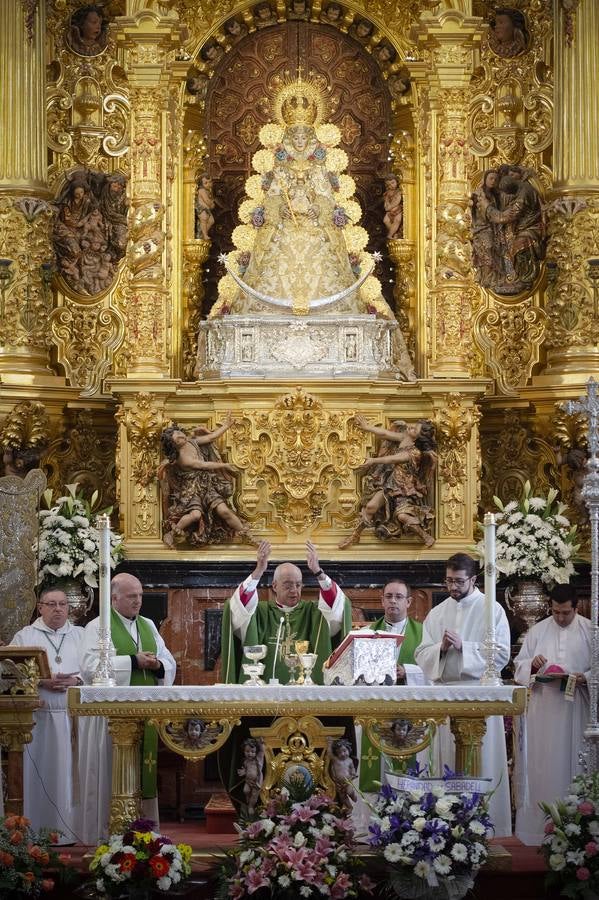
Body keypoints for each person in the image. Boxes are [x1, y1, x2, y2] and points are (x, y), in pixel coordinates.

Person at [415, 553, 512, 837]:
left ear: (473, 579)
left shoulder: (491, 610)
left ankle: (484, 826)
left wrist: (465, 647)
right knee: (443, 759)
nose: (452, 587)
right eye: (448, 581)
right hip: (444, 694)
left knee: (482, 763)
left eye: (458, 581)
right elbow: (422, 653)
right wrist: (441, 650)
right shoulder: (437, 612)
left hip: (478, 694)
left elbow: (502, 654)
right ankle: (442, 825)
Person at [77, 573, 176, 844]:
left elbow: (168, 660)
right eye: (132, 596)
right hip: (110, 719)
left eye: (141, 596)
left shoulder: (148, 625)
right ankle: (105, 834)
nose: (138, 602)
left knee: (143, 774)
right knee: (109, 773)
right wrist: (132, 661)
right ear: (115, 598)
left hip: (144, 714)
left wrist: (158, 665)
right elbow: (89, 667)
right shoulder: (98, 627)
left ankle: (144, 834)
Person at [513, 585, 591, 845]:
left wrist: (584, 677)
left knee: (575, 765)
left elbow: (597, 670)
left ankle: (580, 827)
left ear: (576, 608)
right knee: (543, 766)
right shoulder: (538, 630)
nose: (559, 618)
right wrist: (532, 666)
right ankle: (539, 830)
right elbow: (520, 667)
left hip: (576, 708)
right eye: (555, 612)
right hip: (544, 711)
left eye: (565, 613)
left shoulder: (590, 630)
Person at [10, 589, 84, 843]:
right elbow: (11, 672)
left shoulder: (80, 635)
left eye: (63, 604)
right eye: (51, 604)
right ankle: (34, 831)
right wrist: (41, 680)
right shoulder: (25, 636)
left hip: (72, 718)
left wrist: (77, 679)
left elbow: (95, 669)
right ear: (40, 607)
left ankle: (71, 831)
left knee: (69, 778)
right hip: (38, 720)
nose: (58, 609)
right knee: (38, 775)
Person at [221, 540, 352, 685]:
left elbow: (337, 604)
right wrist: (258, 571)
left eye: (298, 585)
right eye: (288, 585)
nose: (294, 590)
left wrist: (318, 572)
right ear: (275, 586)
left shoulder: (314, 613)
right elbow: (238, 605)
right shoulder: (259, 613)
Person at [355, 580, 427, 794]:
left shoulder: (424, 633)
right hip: (376, 708)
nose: (393, 601)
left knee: (408, 766)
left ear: (409, 602)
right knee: (375, 766)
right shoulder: (366, 634)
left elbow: (435, 672)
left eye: (398, 597)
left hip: (410, 709)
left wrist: (408, 671)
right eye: (388, 596)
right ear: (382, 600)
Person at [339, 415, 436, 549]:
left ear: (417, 438)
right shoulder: (404, 437)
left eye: (415, 430)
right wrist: (367, 427)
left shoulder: (414, 453)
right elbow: (385, 433)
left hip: (403, 488)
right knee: (370, 507)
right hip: (389, 482)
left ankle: (425, 536)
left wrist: (373, 461)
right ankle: (355, 535)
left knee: (402, 516)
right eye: (414, 425)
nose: (411, 427)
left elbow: (392, 459)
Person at [158, 418, 256, 548]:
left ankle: (247, 536)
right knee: (195, 515)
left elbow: (211, 438)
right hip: (191, 489)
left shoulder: (191, 442)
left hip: (206, 484)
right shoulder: (183, 459)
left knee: (224, 511)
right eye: (178, 439)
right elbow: (203, 465)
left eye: (181, 434)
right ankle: (171, 533)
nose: (182, 438)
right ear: (173, 445)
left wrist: (226, 426)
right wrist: (224, 465)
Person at [328, 738, 358, 811]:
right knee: (342, 797)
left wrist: (353, 772)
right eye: (339, 752)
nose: (343, 754)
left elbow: (352, 768)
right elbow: (329, 753)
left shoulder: (349, 760)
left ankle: (353, 796)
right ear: (336, 754)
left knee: (349, 791)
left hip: (348, 781)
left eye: (344, 751)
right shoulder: (336, 760)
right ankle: (349, 807)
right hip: (338, 783)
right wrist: (329, 743)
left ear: (348, 749)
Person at [237, 738, 264, 815]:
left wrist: (261, 744)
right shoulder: (246, 761)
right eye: (247, 751)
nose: (250, 754)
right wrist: (244, 772)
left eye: (252, 752)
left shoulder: (258, 760)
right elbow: (246, 769)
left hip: (256, 782)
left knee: (254, 796)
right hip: (248, 781)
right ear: (244, 751)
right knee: (245, 791)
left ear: (256, 752)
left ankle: (251, 806)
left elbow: (262, 752)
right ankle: (248, 797)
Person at [194, 173, 215, 240]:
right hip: (202, 208)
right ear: (201, 184)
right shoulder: (202, 190)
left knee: (211, 221)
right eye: (206, 183)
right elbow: (206, 200)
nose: (209, 184)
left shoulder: (208, 191)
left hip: (207, 209)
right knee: (204, 219)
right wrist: (211, 204)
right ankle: (204, 235)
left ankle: (202, 233)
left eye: (210, 182)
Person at [383, 175, 403, 240]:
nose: (391, 185)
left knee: (397, 220)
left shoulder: (398, 191)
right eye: (388, 184)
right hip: (389, 211)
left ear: (397, 182)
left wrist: (389, 207)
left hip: (397, 210)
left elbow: (397, 202)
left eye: (393, 183)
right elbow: (386, 202)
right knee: (385, 221)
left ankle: (390, 234)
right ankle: (394, 233)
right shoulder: (387, 193)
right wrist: (386, 206)